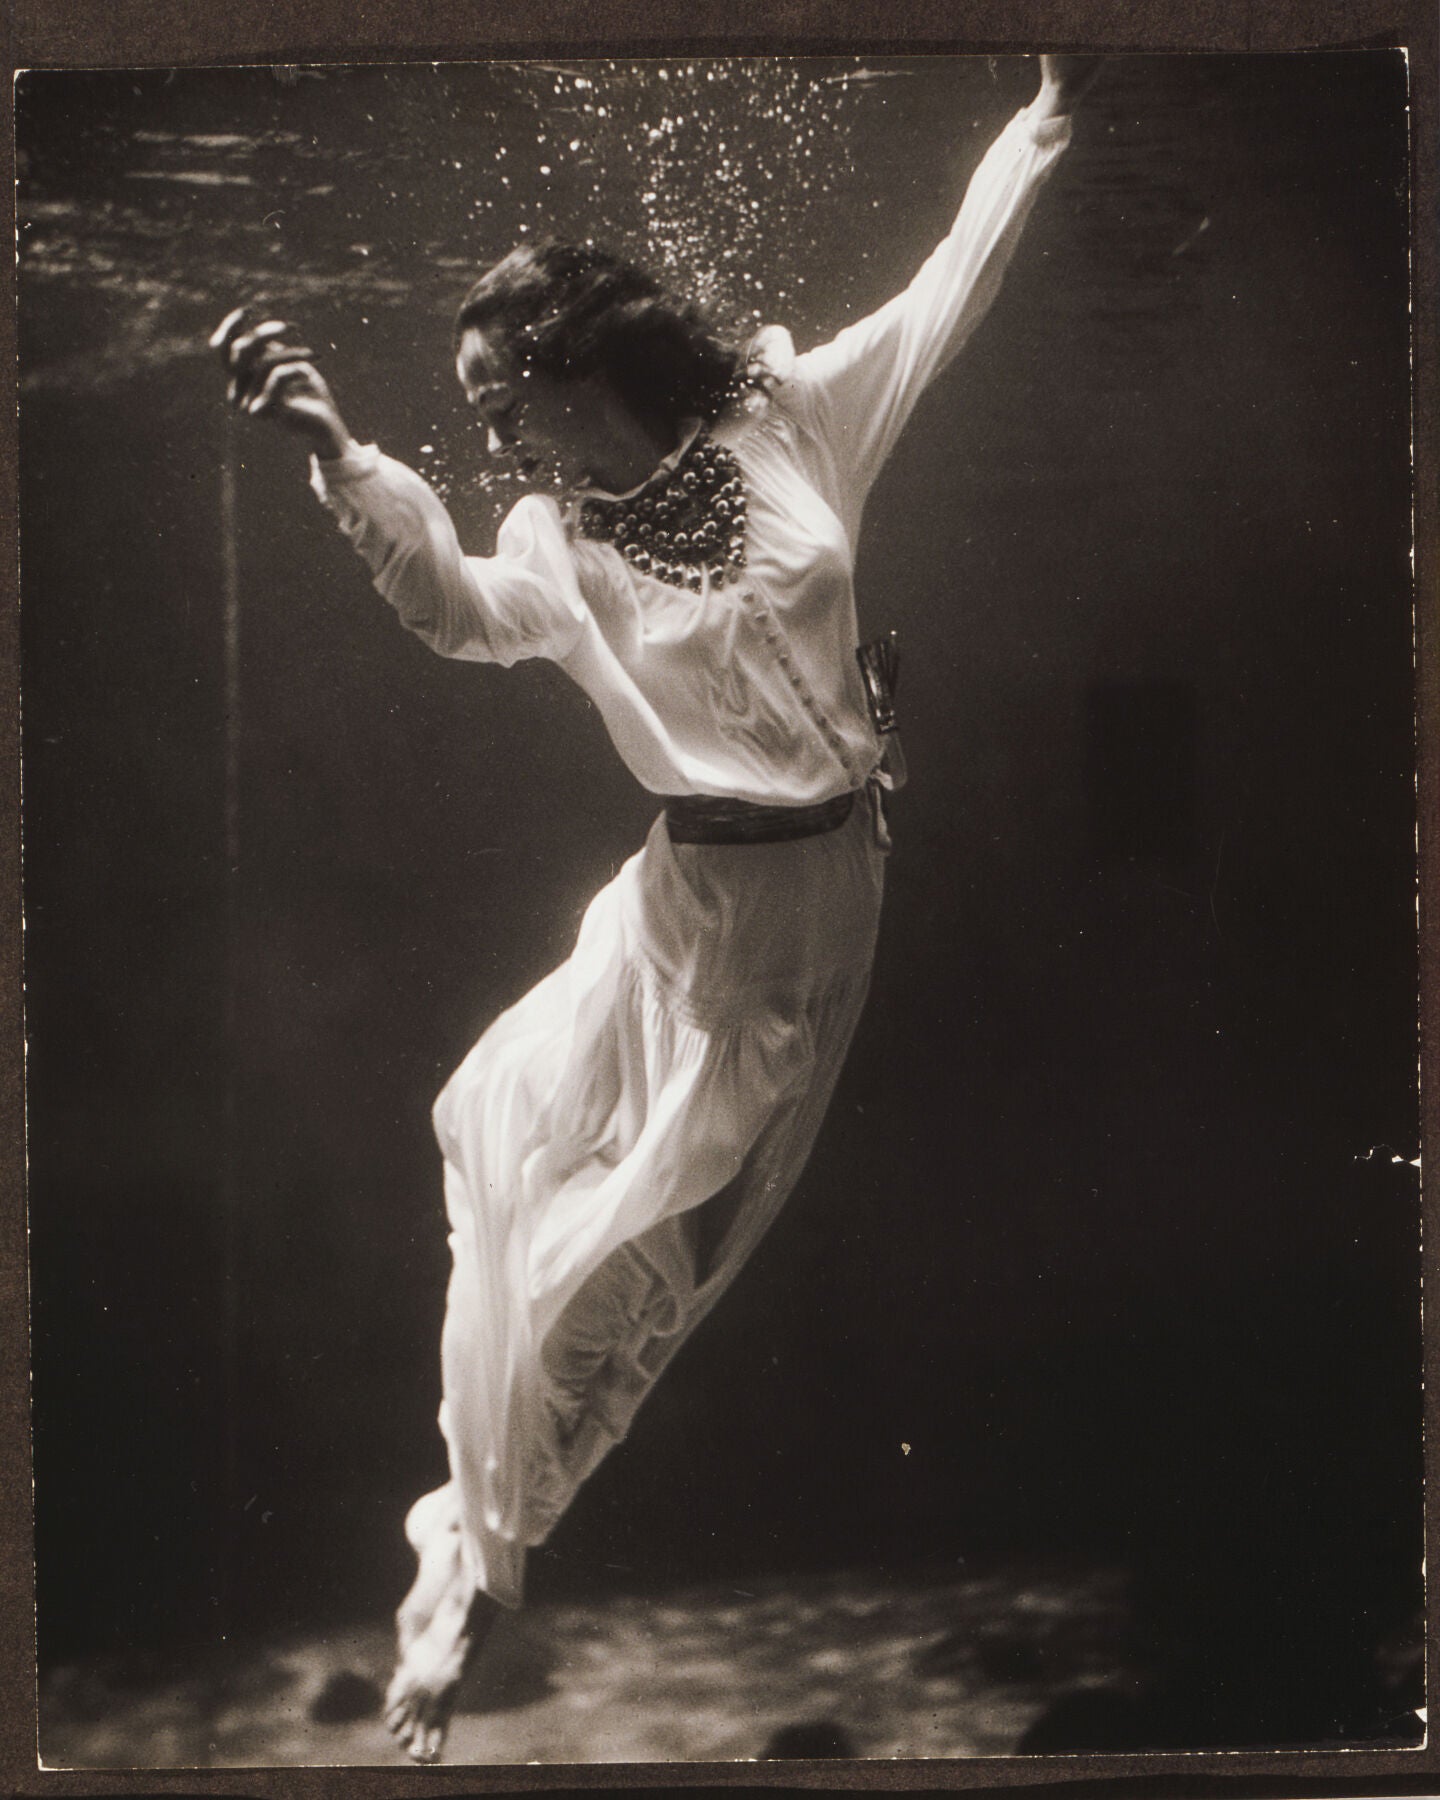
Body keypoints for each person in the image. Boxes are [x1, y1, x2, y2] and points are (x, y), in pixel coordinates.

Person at [216, 52, 1098, 1763]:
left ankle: (479, 1562)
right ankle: (477, 1575)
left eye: (496, 395)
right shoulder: (556, 544)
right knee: (513, 1182)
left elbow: (944, 292)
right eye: (473, 410)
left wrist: (1044, 118)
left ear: (573, 362)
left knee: (630, 1265)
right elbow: (459, 610)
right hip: (677, 909)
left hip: (811, 916)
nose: (487, 431)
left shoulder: (790, 416)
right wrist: (340, 454)